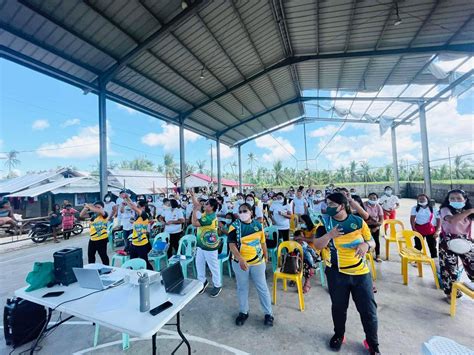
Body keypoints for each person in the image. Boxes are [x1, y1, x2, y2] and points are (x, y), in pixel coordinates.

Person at [313, 193, 379, 354]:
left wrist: (366, 245)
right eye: (326, 203)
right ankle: (339, 335)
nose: (326, 207)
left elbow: (373, 242)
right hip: (336, 274)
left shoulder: (357, 222)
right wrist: (329, 235)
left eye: (331, 204)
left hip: (360, 273)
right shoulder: (325, 223)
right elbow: (317, 245)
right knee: (339, 307)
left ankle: (373, 343)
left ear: (341, 206)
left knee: (368, 310)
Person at [228, 202, 273, 327]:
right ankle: (243, 312)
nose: (242, 214)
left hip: (258, 262)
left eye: (245, 211)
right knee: (242, 288)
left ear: (251, 212)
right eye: (240, 211)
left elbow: (262, 241)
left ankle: (268, 314)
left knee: (262, 287)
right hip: (240, 263)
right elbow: (231, 245)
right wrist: (240, 259)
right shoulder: (235, 226)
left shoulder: (258, 225)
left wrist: (266, 254)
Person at [438, 189, 473, 302]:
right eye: (452, 198)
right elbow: (453, 220)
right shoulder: (445, 210)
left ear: (465, 200)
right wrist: (470, 211)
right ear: (448, 200)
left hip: (466, 241)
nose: (455, 200)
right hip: (447, 241)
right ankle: (451, 294)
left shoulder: (468, 212)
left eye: (458, 198)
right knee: (449, 268)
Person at [190, 191, 222, 298]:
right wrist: (192, 195)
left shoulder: (210, 218)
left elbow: (194, 223)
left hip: (210, 246)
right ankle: (202, 282)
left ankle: (217, 285)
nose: (204, 204)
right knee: (199, 263)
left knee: (213, 266)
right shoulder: (206, 214)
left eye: (207, 204)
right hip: (201, 244)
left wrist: (194, 212)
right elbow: (197, 205)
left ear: (212, 207)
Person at [124, 198, 154, 270]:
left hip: (142, 244)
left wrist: (127, 198)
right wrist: (126, 199)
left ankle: (152, 273)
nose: (136, 208)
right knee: (132, 262)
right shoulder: (138, 217)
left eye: (138, 206)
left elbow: (133, 207)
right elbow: (133, 207)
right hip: (134, 243)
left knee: (145, 262)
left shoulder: (145, 215)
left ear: (143, 207)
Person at [410, 194, 440, 258]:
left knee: (432, 246)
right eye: (420, 199)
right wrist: (413, 228)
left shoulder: (433, 208)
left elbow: (438, 220)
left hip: (430, 230)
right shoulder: (415, 208)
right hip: (418, 229)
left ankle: (434, 261)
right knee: (418, 246)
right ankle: (416, 260)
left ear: (427, 200)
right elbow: (412, 219)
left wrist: (437, 231)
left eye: (423, 199)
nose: (421, 200)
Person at [364, 193, 384, 262]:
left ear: (377, 199)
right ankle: (365, 254)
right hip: (365, 225)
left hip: (376, 225)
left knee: (376, 240)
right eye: (370, 198)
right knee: (365, 240)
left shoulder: (378, 206)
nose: (372, 199)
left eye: (374, 198)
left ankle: (377, 255)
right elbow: (362, 217)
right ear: (368, 198)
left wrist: (377, 227)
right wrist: (367, 228)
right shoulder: (364, 205)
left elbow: (381, 219)